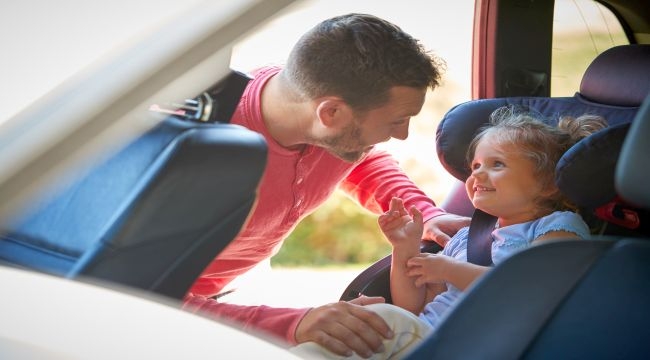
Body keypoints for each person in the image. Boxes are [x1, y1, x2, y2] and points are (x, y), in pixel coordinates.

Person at [181, 13, 471, 358]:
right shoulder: (190, 156)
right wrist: (294, 323)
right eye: (397, 121)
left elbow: (362, 159)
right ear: (330, 113)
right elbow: (135, 296)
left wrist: (422, 212)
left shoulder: (330, 128)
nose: (402, 135)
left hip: (232, 291)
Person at [289, 106, 608, 359]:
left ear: (549, 182)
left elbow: (530, 290)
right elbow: (413, 306)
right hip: (423, 336)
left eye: (497, 164)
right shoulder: (465, 238)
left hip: (469, 345)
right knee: (362, 320)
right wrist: (406, 251)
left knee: (380, 323)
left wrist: (447, 268)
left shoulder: (558, 227)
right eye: (475, 166)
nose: (479, 172)